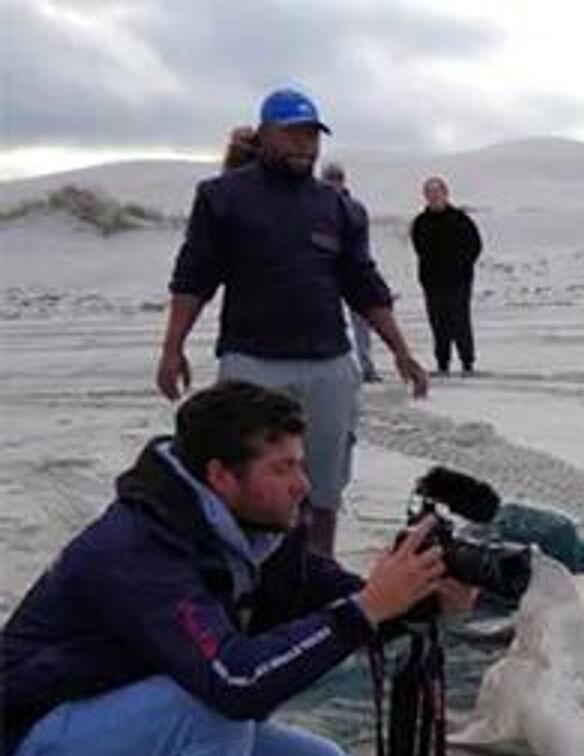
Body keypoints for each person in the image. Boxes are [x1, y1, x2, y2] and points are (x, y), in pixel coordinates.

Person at [0, 382, 466, 756]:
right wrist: (366, 610)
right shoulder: (139, 549)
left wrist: (421, 599)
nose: (303, 483)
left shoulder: (253, 532)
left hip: (96, 755)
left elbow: (340, 600)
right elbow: (237, 681)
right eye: (283, 468)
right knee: (208, 703)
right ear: (221, 476)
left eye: (300, 464)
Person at [159, 88, 429, 559]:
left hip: (328, 366)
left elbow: (363, 285)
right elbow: (194, 276)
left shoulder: (339, 208)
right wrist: (171, 348)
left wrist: (401, 351)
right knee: (249, 483)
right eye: (292, 134)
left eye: (311, 135)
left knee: (321, 486)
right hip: (251, 364)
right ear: (264, 136)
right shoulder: (222, 198)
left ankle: (315, 570)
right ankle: (250, 576)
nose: (304, 144)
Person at [409, 176, 484, 376]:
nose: (434, 197)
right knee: (438, 323)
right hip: (433, 283)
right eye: (430, 193)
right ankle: (443, 363)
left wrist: (462, 267)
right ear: (425, 196)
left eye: (437, 192)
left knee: (460, 322)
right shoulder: (420, 222)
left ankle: (467, 362)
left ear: (445, 194)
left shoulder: (460, 219)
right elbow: (419, 248)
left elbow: (475, 246)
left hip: (459, 282)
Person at [320, 161, 381, 383]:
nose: (332, 184)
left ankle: (366, 366)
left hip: (353, 272)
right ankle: (336, 367)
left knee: (361, 323)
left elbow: (361, 245)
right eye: (329, 179)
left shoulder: (355, 208)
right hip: (325, 274)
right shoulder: (315, 206)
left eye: (335, 179)